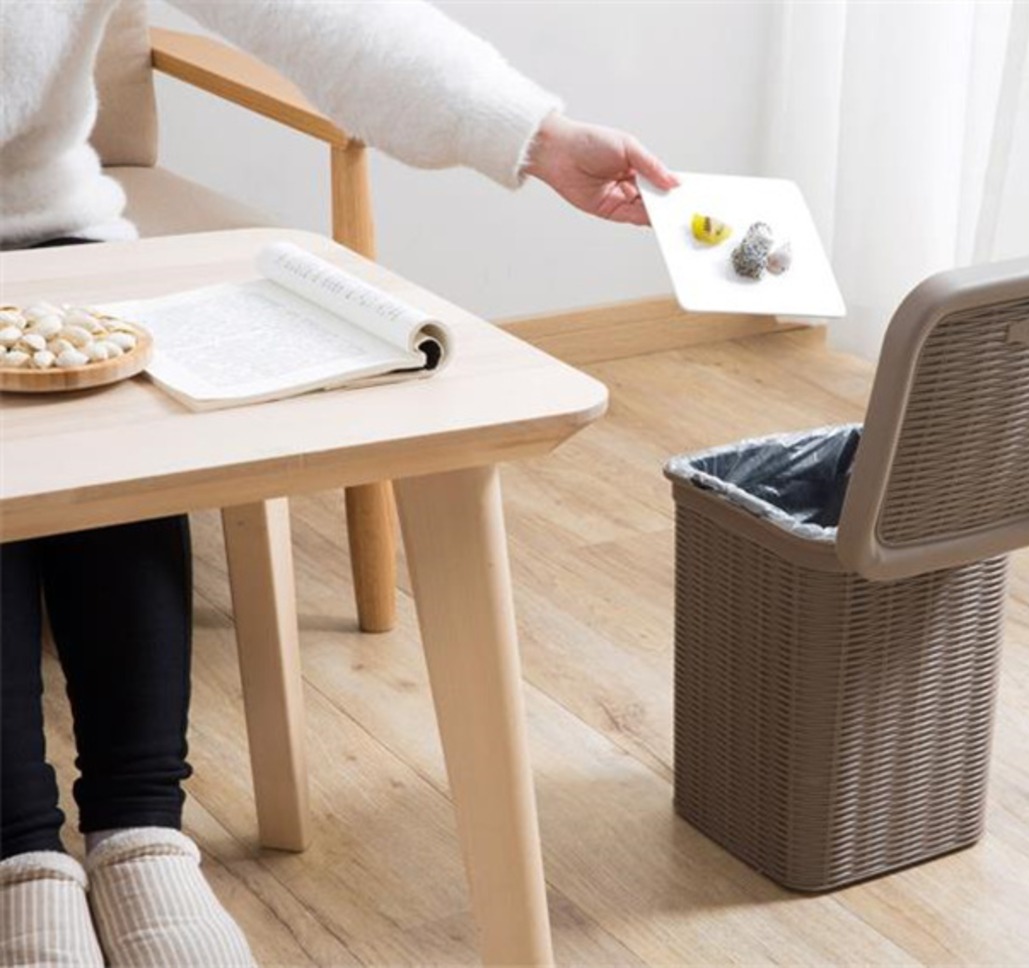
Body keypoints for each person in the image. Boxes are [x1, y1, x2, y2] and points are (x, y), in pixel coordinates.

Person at [0, 2, 678, 964]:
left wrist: (537, 134)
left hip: (53, 243)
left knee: (114, 447)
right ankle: (19, 858)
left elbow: (320, 12)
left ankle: (141, 833)